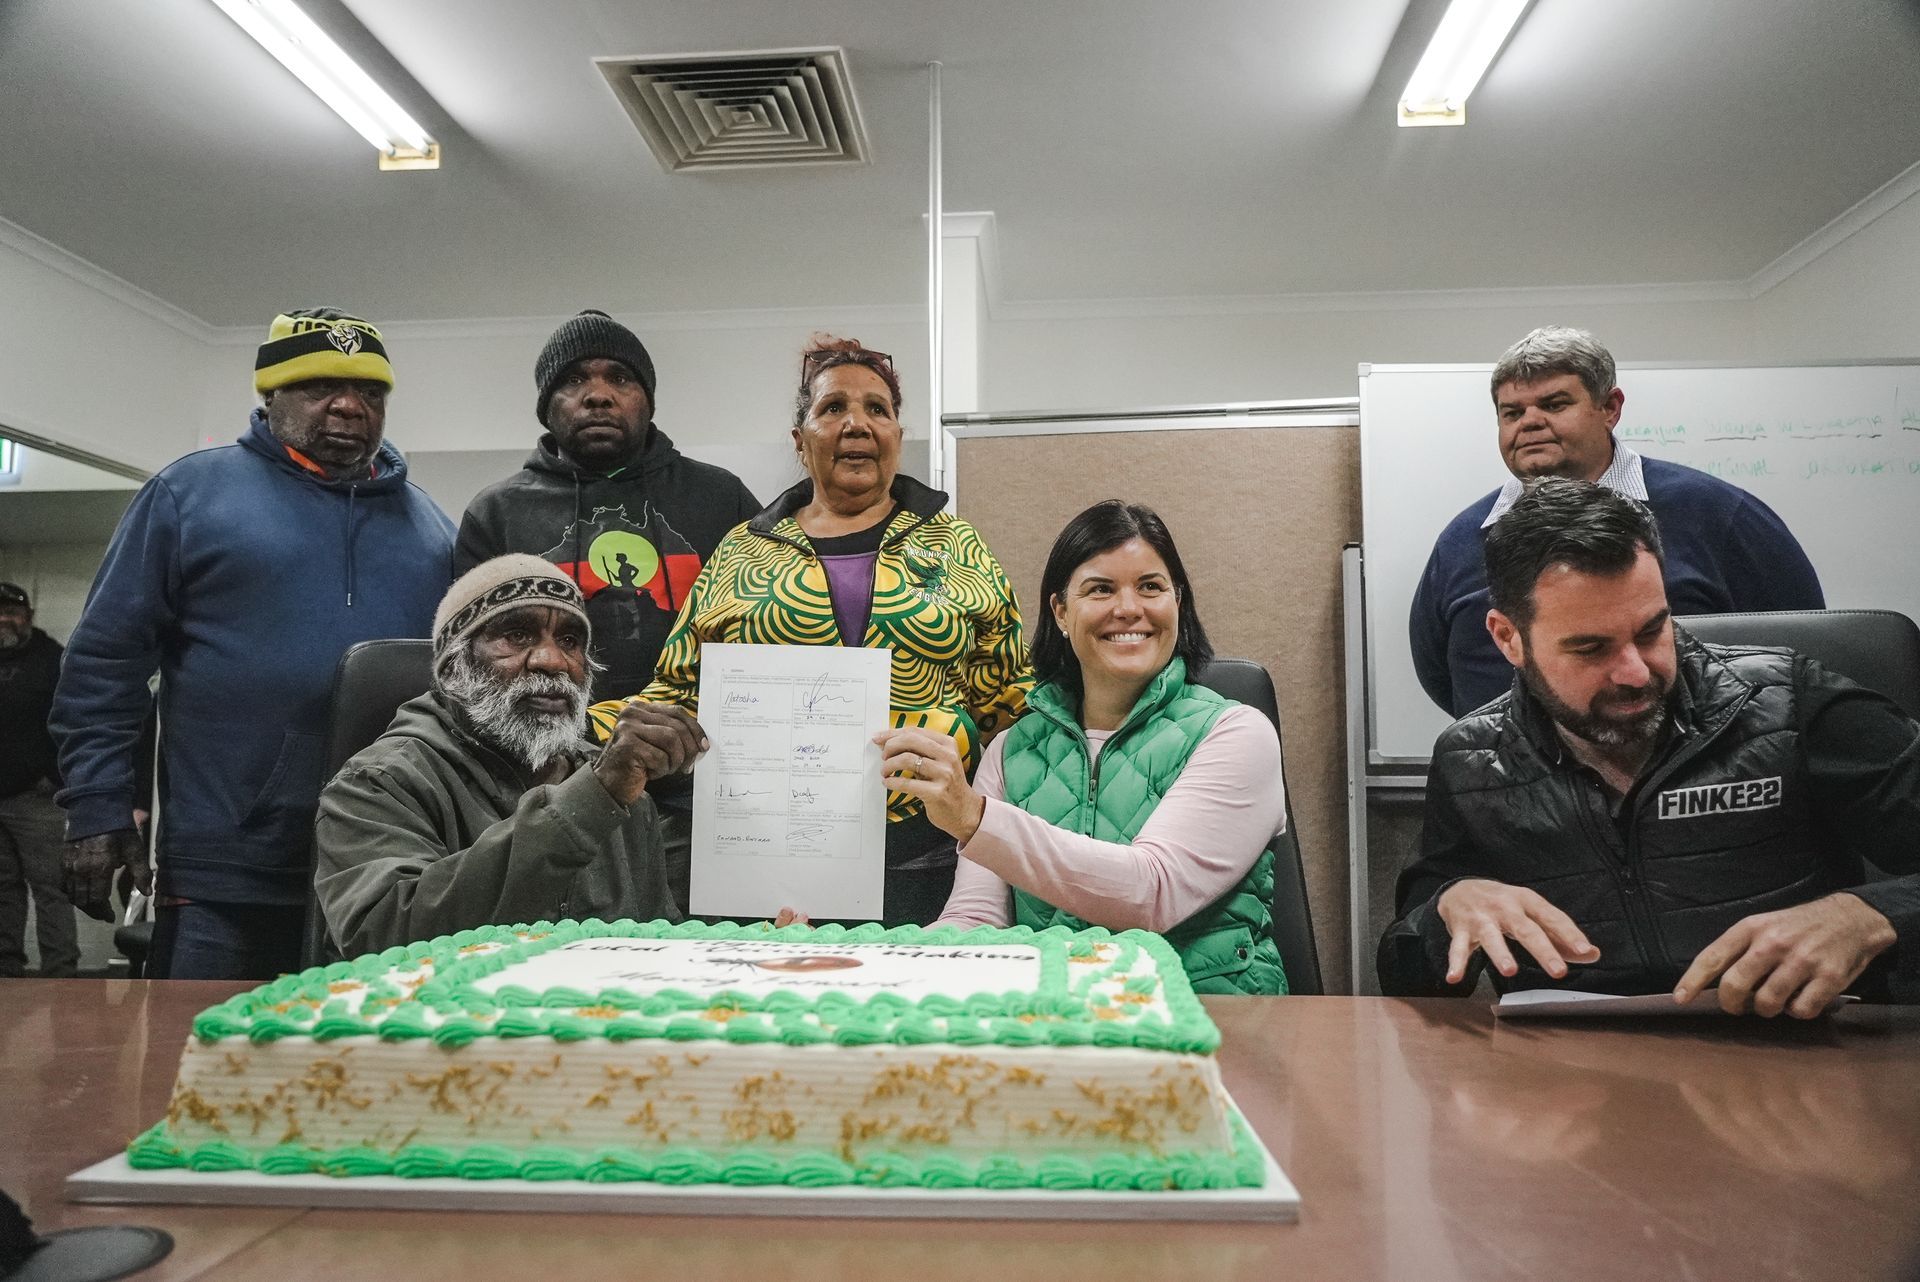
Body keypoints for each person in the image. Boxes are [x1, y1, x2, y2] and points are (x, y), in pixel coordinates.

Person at [1379, 480, 1920, 1016]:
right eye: (1590, 648)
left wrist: (1869, 914)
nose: (1636, 672)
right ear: (1508, 639)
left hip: (1798, 1060)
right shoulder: (1472, 761)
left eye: (1652, 630)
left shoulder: (1792, 706)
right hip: (1573, 1080)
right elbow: (1408, 977)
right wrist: (1447, 906)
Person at [51, 308, 456, 979]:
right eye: (320, 386)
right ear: (270, 395)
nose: (350, 406)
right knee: (202, 1070)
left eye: (371, 392)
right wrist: (96, 806)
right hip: (226, 872)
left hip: (388, 867)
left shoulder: (431, 527)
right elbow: (103, 665)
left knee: (363, 1075)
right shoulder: (188, 495)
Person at [590, 335, 1031, 926]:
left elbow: (1005, 693)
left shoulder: (956, 545)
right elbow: (682, 688)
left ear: (898, 436)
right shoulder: (742, 550)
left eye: (879, 409)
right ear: (801, 440)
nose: (857, 424)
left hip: (922, 853)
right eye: (833, 408)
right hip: (761, 857)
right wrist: (586, 733)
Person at [902, 501, 1288, 995]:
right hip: (1056, 1029)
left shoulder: (1237, 734)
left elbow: (1151, 893)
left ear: (1178, 602)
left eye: (1150, 587)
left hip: (1212, 1028)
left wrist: (977, 820)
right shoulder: (1009, 751)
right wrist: (837, 959)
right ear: (1060, 610)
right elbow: (977, 920)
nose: (1129, 608)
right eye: (1101, 589)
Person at [1410, 326, 1824, 717]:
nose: (1530, 422)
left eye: (1554, 404)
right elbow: (1437, 673)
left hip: (1686, 778)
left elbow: (1801, 651)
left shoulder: (1719, 514)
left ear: (1609, 408)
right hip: (1509, 782)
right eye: (1512, 412)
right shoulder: (1463, 538)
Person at [315, 557, 683, 955]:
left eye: (570, 641)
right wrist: (593, 799)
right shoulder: (377, 785)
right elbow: (384, 941)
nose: (552, 661)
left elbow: (657, 947)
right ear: (453, 666)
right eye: (517, 635)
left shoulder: (624, 789)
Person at [453, 309, 760, 702]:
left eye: (619, 377)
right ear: (547, 407)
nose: (598, 395)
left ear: (647, 401)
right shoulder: (496, 513)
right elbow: (472, 660)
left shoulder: (721, 496)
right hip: (554, 746)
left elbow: (769, 626)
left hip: (699, 737)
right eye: (574, 379)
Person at [0, 583, 77, 977]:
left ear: (27, 615)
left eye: (11, 611)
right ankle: (6, 975)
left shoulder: (53, 659)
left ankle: (62, 976)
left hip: (37, 798)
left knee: (52, 889)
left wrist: (55, 777)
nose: (3, 618)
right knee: (3, 891)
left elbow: (75, 721)